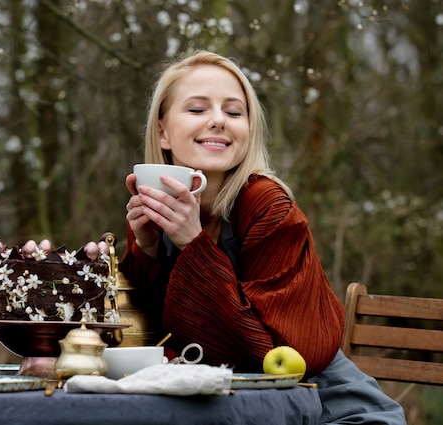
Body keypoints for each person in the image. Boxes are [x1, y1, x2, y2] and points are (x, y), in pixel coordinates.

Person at [116, 50, 406, 425]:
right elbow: (143, 341)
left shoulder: (269, 208)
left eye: (234, 112)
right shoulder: (163, 209)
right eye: (198, 109)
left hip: (331, 412)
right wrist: (146, 252)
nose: (219, 120)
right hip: (230, 409)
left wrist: (194, 246)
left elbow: (273, 358)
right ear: (163, 132)